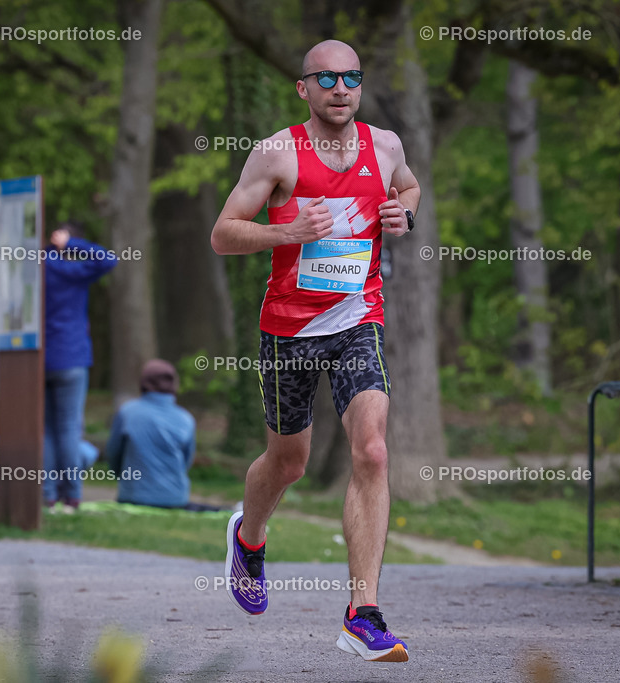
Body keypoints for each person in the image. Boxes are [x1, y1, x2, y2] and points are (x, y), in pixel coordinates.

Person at [210, 40, 420, 663]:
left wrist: (403, 217)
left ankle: (364, 614)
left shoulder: (386, 146)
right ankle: (249, 538)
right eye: (326, 77)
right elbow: (223, 234)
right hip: (289, 329)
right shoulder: (277, 153)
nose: (340, 87)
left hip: (359, 318)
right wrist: (285, 232)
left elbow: (409, 189)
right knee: (289, 461)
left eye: (351, 76)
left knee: (373, 448)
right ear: (304, 87)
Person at [43, 221, 116, 513]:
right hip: (72, 358)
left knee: (47, 430)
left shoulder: (41, 267)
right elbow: (108, 259)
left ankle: (47, 495)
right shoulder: (75, 272)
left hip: (42, 357)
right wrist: (72, 244)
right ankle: (71, 496)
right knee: (68, 429)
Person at [106, 359, 218, 512]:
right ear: (174, 385)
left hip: (133, 497)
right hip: (175, 498)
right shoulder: (186, 419)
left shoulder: (127, 412)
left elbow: (113, 452)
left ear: (143, 383)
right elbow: (186, 461)